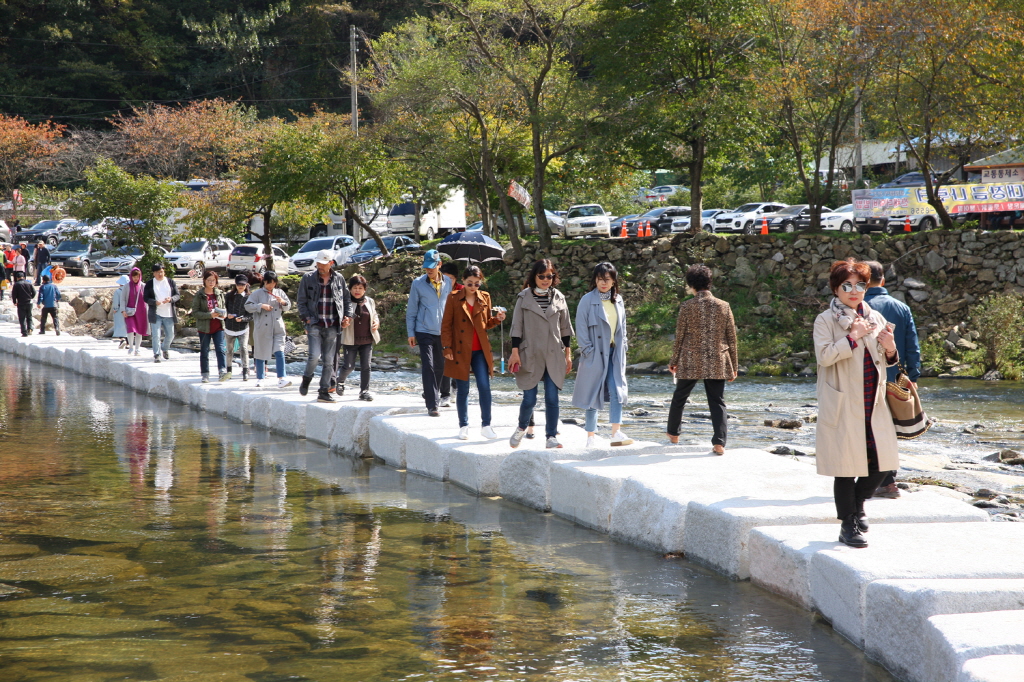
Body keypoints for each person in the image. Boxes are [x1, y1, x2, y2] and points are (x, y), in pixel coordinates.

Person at [814, 258, 900, 549]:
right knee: (845, 467)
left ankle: (859, 504)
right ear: (836, 289)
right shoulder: (825, 320)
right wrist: (852, 337)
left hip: (872, 402)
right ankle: (847, 524)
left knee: (880, 463)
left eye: (860, 285)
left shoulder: (874, 317)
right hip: (842, 402)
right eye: (847, 285)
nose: (854, 291)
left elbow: (885, 359)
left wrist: (890, 348)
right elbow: (825, 357)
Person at [863, 260, 920, 500]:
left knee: (870, 429)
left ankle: (881, 480)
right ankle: (889, 479)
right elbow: (912, 345)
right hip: (896, 376)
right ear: (883, 280)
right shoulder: (901, 307)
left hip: (866, 379)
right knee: (890, 429)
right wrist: (913, 376)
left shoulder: (860, 308)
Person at [666, 264, 738, 454]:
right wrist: (734, 366)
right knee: (717, 401)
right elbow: (732, 338)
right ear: (709, 283)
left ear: (691, 285)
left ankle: (673, 434)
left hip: (690, 358)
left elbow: (680, 336)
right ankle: (719, 443)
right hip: (717, 359)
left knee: (680, 396)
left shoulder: (687, 306)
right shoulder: (724, 306)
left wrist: (674, 360)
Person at [508, 259, 574, 449]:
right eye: (542, 276)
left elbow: (566, 329)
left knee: (552, 398)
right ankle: (522, 427)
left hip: (554, 354)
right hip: (530, 354)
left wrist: (568, 355)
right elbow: (516, 328)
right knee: (530, 398)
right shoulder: (523, 298)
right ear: (534, 276)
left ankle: (551, 436)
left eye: (550, 276)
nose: (546, 280)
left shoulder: (559, 297)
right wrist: (514, 353)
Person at [441, 265, 506, 439]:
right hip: (460, 350)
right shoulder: (453, 298)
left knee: (485, 387)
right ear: (463, 282)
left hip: (480, 350)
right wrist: (446, 347)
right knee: (463, 390)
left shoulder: (485, 297)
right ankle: (463, 425)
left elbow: (486, 324)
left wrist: (497, 319)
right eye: (470, 284)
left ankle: (486, 425)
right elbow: (446, 325)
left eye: (477, 284)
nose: (473, 287)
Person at [572, 262, 632, 448]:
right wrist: (587, 350)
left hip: (615, 353)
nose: (603, 283)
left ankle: (616, 433)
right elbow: (580, 327)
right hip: (595, 353)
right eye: (600, 279)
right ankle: (591, 436)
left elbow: (622, 327)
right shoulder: (587, 300)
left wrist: (625, 346)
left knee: (617, 391)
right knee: (593, 392)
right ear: (595, 280)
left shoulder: (619, 300)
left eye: (607, 279)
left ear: (613, 281)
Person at [297, 250, 352, 403]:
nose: (319, 266)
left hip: (333, 325)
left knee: (329, 360)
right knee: (314, 356)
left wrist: (347, 316)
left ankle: (323, 391)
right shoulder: (307, 278)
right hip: (314, 323)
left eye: (323, 263)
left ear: (331, 263)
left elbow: (347, 300)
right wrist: (307, 319)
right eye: (318, 263)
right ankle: (307, 379)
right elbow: (301, 301)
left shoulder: (339, 279)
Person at [406, 250, 454, 416]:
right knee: (428, 366)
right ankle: (432, 405)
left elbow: (450, 308)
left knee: (441, 367)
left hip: (442, 332)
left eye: (432, 267)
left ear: (439, 264)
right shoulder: (418, 283)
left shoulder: (448, 282)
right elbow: (412, 310)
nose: (429, 270)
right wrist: (411, 332)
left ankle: (430, 392)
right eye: (426, 267)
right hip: (423, 330)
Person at [244, 270, 292, 389]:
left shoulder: (279, 292)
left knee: (280, 351)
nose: (271, 285)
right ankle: (260, 378)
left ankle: (282, 378)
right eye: (269, 283)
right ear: (264, 282)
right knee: (260, 352)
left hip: (278, 327)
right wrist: (261, 306)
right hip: (262, 328)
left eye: (273, 283)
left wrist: (283, 302)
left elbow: (288, 306)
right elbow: (247, 306)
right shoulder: (257, 293)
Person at [337, 275, 380, 401]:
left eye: (360, 288)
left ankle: (364, 391)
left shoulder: (370, 301)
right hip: (350, 339)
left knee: (366, 366)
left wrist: (376, 323)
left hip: (367, 339)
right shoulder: (345, 302)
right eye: (355, 288)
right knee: (349, 366)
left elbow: (375, 315)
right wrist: (343, 323)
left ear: (365, 289)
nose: (357, 290)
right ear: (350, 289)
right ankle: (340, 381)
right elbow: (339, 318)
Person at [191, 269, 228, 383]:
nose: (211, 282)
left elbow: (224, 308)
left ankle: (222, 371)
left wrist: (224, 314)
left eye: (214, 280)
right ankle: (205, 374)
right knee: (205, 350)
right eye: (209, 280)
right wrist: (209, 315)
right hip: (205, 327)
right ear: (204, 281)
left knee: (220, 349)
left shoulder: (219, 293)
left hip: (219, 326)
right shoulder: (200, 295)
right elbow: (195, 312)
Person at [143, 263, 180, 363]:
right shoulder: (150, 283)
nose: (160, 274)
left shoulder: (170, 282)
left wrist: (171, 299)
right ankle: (157, 354)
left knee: (170, 335)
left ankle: (165, 348)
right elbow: (145, 298)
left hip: (168, 313)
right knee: (156, 335)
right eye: (158, 272)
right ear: (154, 273)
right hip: (156, 313)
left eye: (162, 272)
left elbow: (177, 295)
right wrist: (154, 302)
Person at [438, 261, 462, 406]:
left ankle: (455, 388)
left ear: (456, 279)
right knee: (444, 362)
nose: (448, 281)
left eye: (451, 278)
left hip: (460, 332)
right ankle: (444, 394)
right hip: (443, 331)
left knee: (458, 362)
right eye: (445, 278)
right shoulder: (437, 290)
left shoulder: (463, 291)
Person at [223, 274, 252, 380]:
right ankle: (229, 371)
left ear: (246, 285)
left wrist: (242, 319)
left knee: (244, 348)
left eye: (243, 285)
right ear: (235, 284)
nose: (241, 286)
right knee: (229, 350)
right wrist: (227, 315)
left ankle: (245, 371)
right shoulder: (228, 296)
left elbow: (251, 316)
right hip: (229, 327)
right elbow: (223, 310)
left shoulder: (249, 297)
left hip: (243, 328)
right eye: (239, 284)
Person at [121, 267, 149, 356]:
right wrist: (123, 310)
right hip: (129, 312)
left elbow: (147, 299)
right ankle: (131, 347)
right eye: (134, 277)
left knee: (139, 331)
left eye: (137, 276)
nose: (135, 278)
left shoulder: (143, 286)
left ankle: (137, 349)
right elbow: (123, 300)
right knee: (130, 329)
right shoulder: (126, 286)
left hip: (141, 312)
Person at [11, 271, 35, 336]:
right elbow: (34, 292)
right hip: (29, 302)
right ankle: (30, 329)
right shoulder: (29, 283)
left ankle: (24, 332)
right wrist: (31, 297)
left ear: (17, 278)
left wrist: (14, 302)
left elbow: (14, 294)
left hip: (21, 303)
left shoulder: (16, 284)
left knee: (22, 318)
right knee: (29, 316)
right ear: (23, 277)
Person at [110, 274, 130, 348]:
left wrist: (115, 309)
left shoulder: (118, 291)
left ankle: (122, 340)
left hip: (119, 311)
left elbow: (116, 302)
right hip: (128, 310)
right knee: (127, 327)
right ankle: (128, 343)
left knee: (119, 326)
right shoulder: (130, 291)